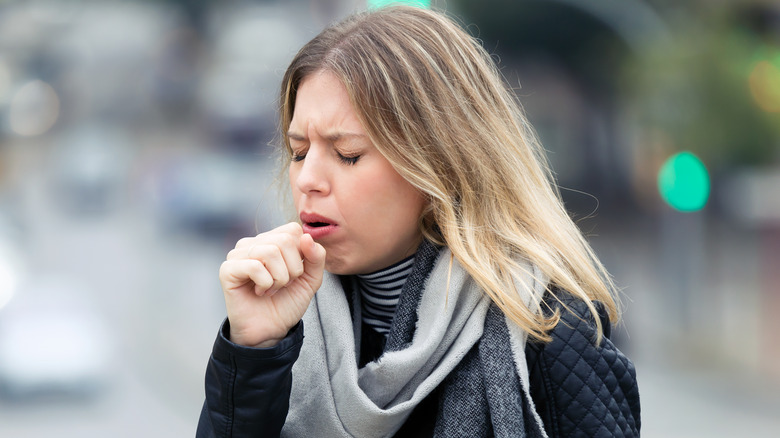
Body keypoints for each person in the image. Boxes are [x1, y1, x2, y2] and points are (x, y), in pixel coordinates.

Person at [197, 5, 640, 438]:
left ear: (438, 164)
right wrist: (251, 353)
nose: (308, 179)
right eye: (298, 152)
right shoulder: (279, 331)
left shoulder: (551, 330)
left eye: (347, 154)